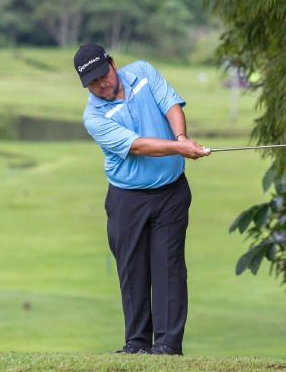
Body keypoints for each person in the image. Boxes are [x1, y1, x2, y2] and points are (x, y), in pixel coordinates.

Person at [73, 43, 210, 356]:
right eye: (92, 83)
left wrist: (181, 138)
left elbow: (171, 105)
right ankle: (136, 344)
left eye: (102, 76)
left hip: (171, 192)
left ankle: (167, 346)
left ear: (112, 64)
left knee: (169, 267)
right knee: (133, 270)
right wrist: (180, 149)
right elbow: (137, 146)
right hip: (127, 199)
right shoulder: (94, 116)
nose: (100, 85)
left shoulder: (143, 73)